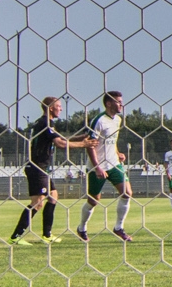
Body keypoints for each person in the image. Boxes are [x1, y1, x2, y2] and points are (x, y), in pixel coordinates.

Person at [11, 96, 87, 245]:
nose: (61, 108)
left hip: (41, 167)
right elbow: (59, 143)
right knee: (37, 203)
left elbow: (60, 138)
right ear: (50, 107)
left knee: (53, 196)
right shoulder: (45, 123)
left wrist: (81, 137)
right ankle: (16, 236)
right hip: (36, 167)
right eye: (59, 106)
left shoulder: (46, 123)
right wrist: (83, 144)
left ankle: (47, 234)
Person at [77, 92, 134, 242]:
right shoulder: (99, 121)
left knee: (127, 193)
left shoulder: (118, 120)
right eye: (118, 102)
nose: (121, 104)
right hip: (98, 166)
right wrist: (97, 167)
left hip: (114, 164)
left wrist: (117, 152)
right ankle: (81, 228)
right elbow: (90, 145)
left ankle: (118, 228)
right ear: (109, 104)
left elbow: (111, 141)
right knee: (94, 200)